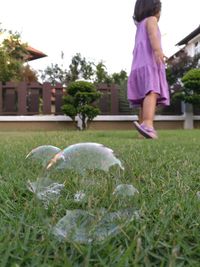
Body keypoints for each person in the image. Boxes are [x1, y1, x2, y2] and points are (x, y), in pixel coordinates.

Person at [127, 0, 170, 139]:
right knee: (152, 92)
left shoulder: (139, 25)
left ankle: (143, 128)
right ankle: (148, 124)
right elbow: (152, 36)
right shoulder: (151, 20)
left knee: (144, 98)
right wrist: (158, 51)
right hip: (149, 64)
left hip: (138, 66)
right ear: (154, 8)